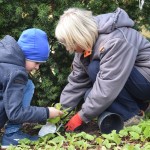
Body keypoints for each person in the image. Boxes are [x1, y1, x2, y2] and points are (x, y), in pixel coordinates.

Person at [55, 7, 150, 131]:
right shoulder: (84, 47)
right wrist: (60, 112)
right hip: (130, 82)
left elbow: (108, 84)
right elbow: (76, 83)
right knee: (89, 93)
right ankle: (141, 107)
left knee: (95, 68)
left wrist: (81, 117)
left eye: (70, 43)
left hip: (146, 79)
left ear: (79, 36)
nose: (69, 49)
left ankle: (133, 115)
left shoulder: (116, 39)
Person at [0, 28, 63, 148]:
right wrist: (47, 112)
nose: (37, 68)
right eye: (36, 62)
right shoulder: (15, 72)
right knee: (28, 85)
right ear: (26, 55)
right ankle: (12, 135)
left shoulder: (5, 55)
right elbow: (15, 113)